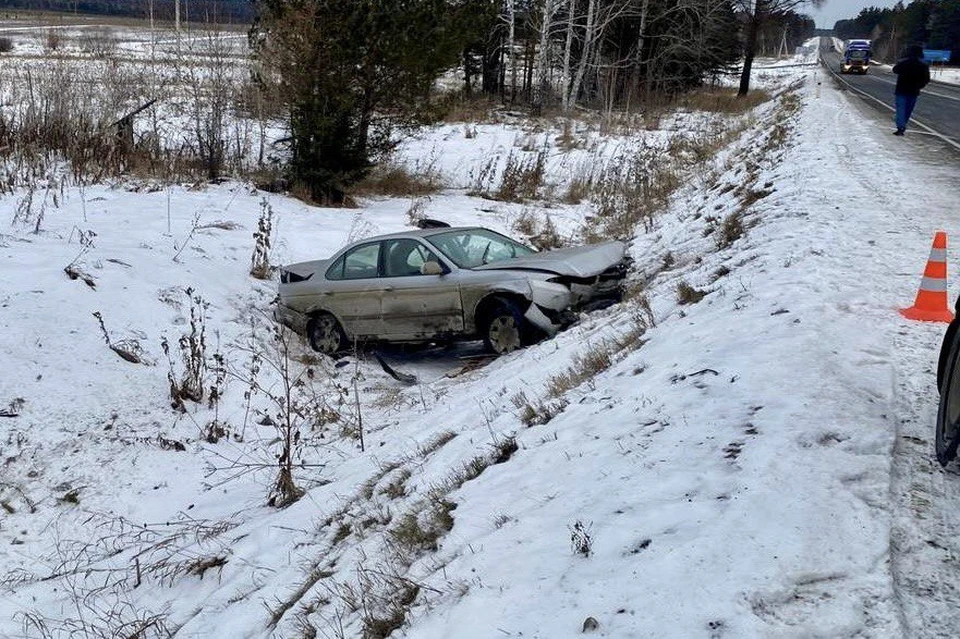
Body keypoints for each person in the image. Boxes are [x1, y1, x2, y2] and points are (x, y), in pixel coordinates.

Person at [892, 45, 930, 136]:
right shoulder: (923, 65)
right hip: (914, 90)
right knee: (908, 110)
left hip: (901, 89)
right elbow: (926, 78)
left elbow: (895, 70)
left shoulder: (903, 62)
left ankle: (900, 127)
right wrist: (920, 85)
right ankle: (903, 124)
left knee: (901, 109)